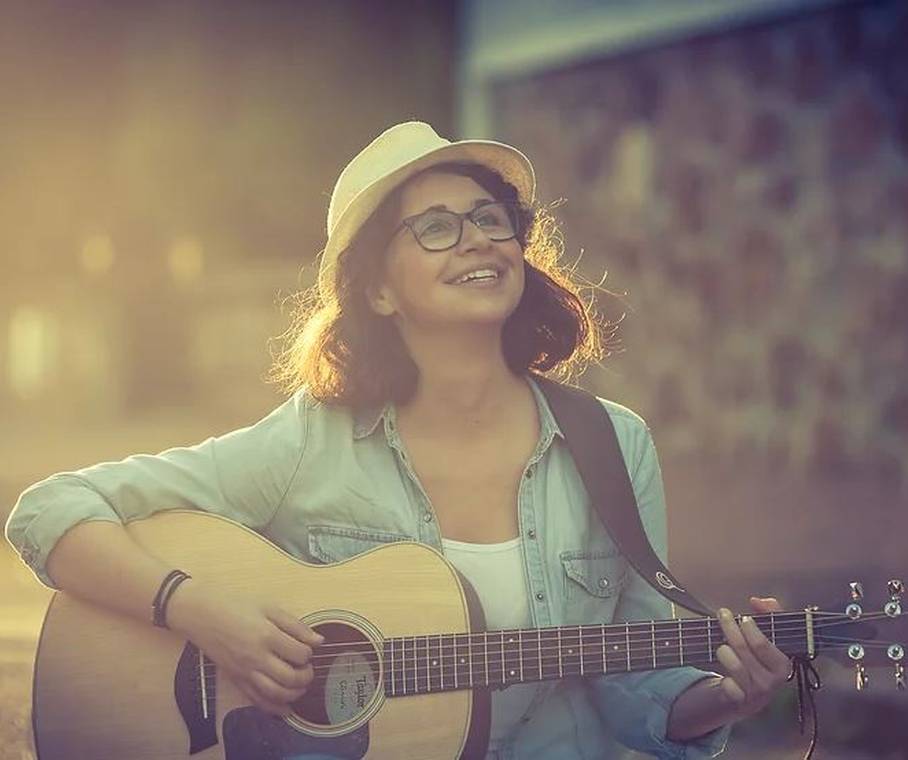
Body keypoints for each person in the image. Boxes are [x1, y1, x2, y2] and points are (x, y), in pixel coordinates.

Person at [5, 121, 790, 759]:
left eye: (491, 220)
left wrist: (724, 697)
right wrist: (204, 612)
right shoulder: (312, 443)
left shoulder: (614, 446)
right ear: (378, 288)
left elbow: (633, 681)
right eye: (438, 229)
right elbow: (49, 512)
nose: (480, 240)